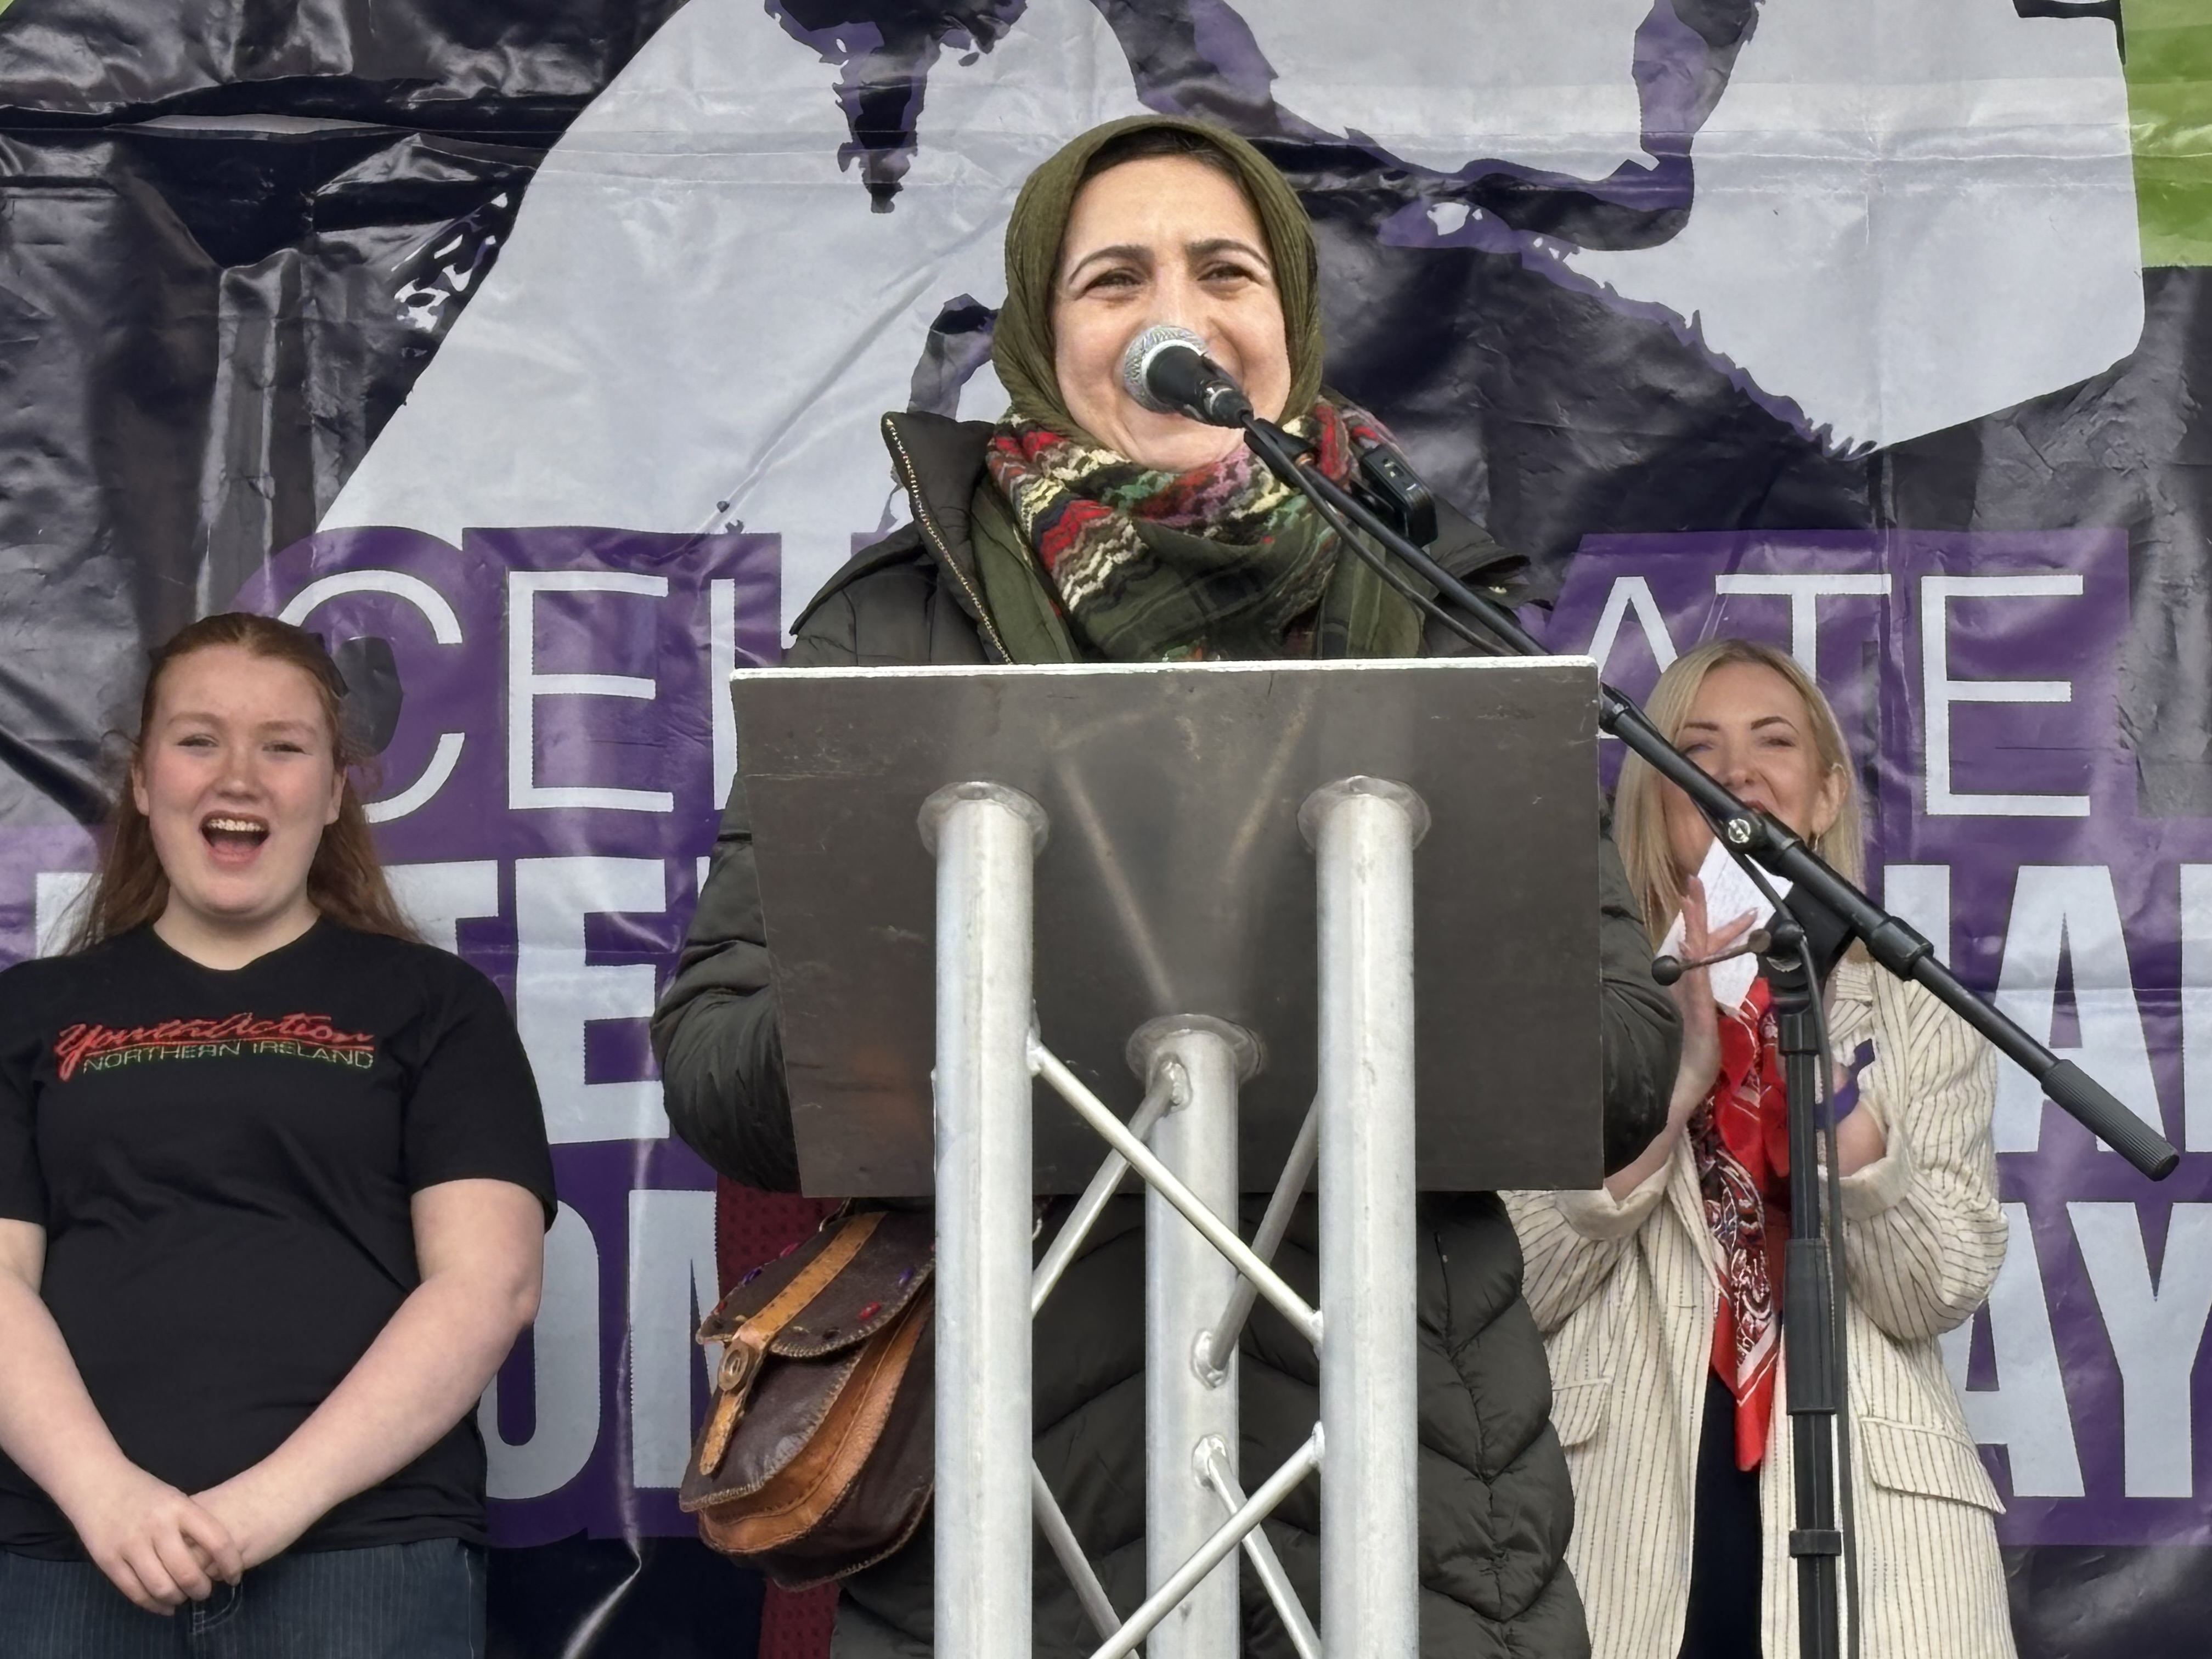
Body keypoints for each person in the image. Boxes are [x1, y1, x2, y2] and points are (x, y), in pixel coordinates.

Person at [653, 114, 1680, 1658]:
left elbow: (1614, 1059)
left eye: (1226, 272)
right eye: (1113, 279)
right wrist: (971, 980)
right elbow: (722, 1063)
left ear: (1290, 324)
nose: (1177, 318)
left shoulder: (1438, 608)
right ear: (1038, 332)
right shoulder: (895, 629)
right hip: (1005, 1529)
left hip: (1403, 1509)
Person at [0, 613, 556, 1658]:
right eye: (199, 739)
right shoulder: (28, 1013)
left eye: (285, 746)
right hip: (66, 1560)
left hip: (362, 1568)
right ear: (142, 777)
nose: (239, 778)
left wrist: (261, 1512)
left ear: (335, 789)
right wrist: (109, 1499)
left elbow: (490, 1287)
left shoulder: (436, 1006)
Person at [1505, 637, 2013, 1659]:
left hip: (1881, 1525)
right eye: (1698, 749)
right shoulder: (1579, 1006)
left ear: (1823, 795)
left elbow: (1936, 1285)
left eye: (1772, 742)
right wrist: (1681, 1073)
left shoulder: (1915, 1005)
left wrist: (1820, 1076)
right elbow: (1518, 1279)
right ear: (1655, 802)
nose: (1736, 773)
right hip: (1623, 1515)